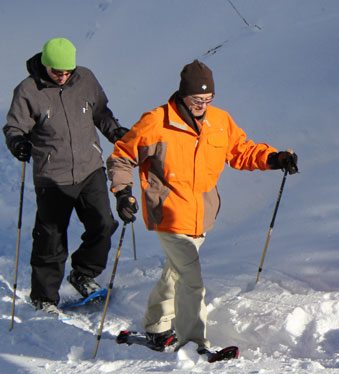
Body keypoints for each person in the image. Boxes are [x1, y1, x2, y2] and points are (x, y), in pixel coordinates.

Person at [107, 60, 298, 353]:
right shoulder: (156, 122)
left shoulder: (219, 121)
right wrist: (123, 192)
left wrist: (274, 158)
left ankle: (157, 326)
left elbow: (241, 151)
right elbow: (122, 157)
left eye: (208, 100)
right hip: (168, 213)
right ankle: (194, 342)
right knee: (191, 281)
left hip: (203, 214)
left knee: (177, 271)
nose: (202, 106)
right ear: (183, 94)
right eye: (197, 100)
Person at [4, 37, 128, 314]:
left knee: (104, 224)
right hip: (52, 174)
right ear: (45, 65)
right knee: (51, 236)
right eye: (56, 72)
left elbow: (101, 113)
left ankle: (83, 273)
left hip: (89, 167)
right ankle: (44, 297)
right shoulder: (28, 90)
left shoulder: (85, 79)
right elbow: (14, 127)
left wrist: (115, 132)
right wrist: (18, 143)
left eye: (67, 72)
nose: (62, 77)